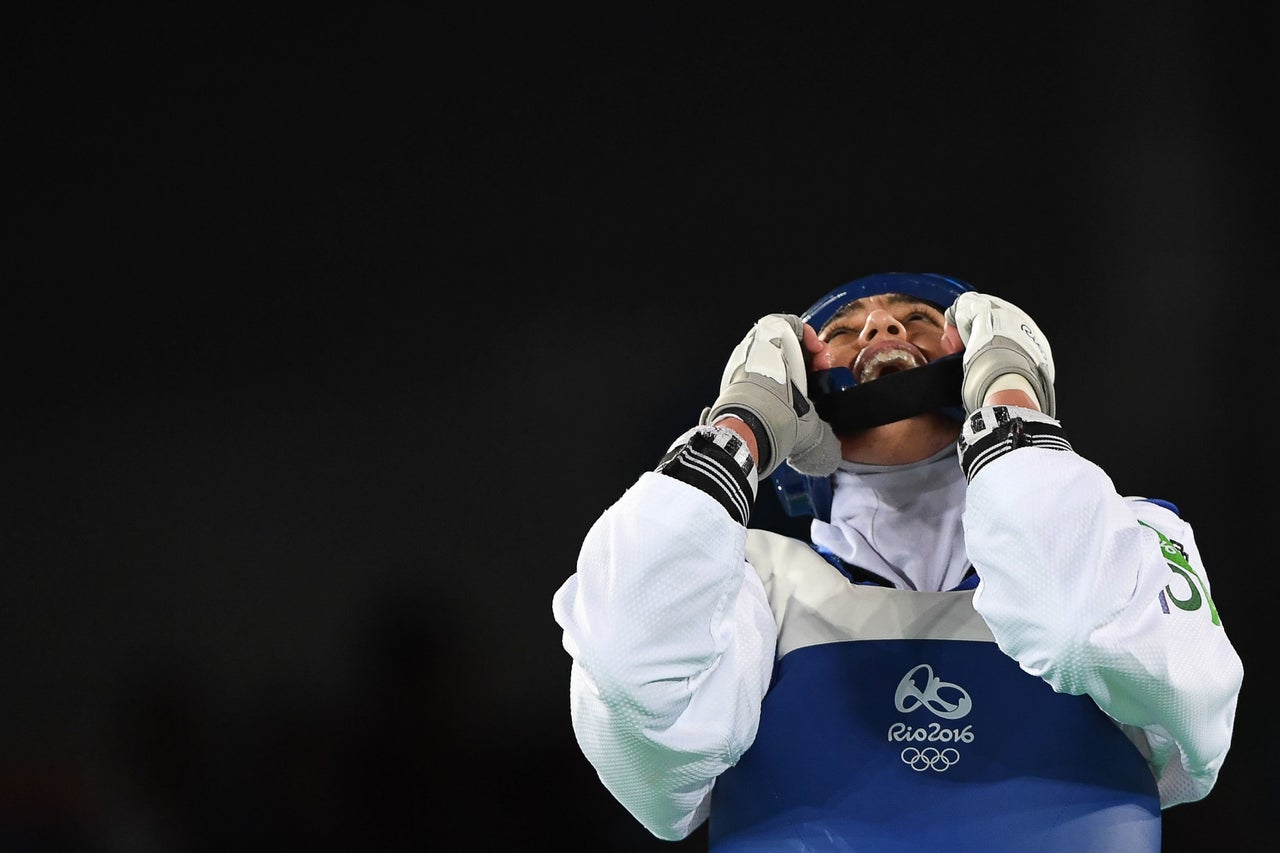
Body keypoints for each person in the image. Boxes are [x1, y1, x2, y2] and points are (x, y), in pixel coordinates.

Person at [550, 272, 1244, 851]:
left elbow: (1086, 630)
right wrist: (738, 425)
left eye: (918, 320)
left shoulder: (1134, 532)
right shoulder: (753, 581)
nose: (883, 328)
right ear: (807, 408)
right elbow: (633, 685)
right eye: (845, 332)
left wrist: (1011, 402)